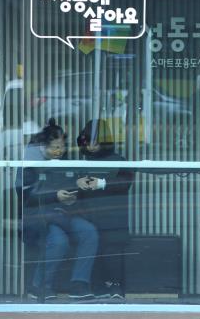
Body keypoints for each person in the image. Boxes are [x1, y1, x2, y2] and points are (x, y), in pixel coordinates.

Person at [22, 118, 98, 301]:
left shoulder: (68, 164)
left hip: (67, 215)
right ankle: (40, 286)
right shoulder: (32, 166)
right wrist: (55, 196)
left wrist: (79, 186)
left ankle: (79, 284)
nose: (59, 151)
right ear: (43, 147)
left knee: (90, 233)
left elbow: (76, 188)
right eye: (54, 147)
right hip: (44, 217)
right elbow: (27, 195)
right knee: (59, 241)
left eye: (62, 146)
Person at [75, 119, 135, 299]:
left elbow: (126, 182)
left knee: (112, 251)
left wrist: (101, 183)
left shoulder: (119, 160)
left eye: (95, 142)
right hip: (89, 215)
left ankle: (116, 287)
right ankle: (98, 287)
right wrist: (77, 183)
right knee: (94, 252)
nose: (91, 146)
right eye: (87, 142)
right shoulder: (83, 162)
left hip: (112, 216)